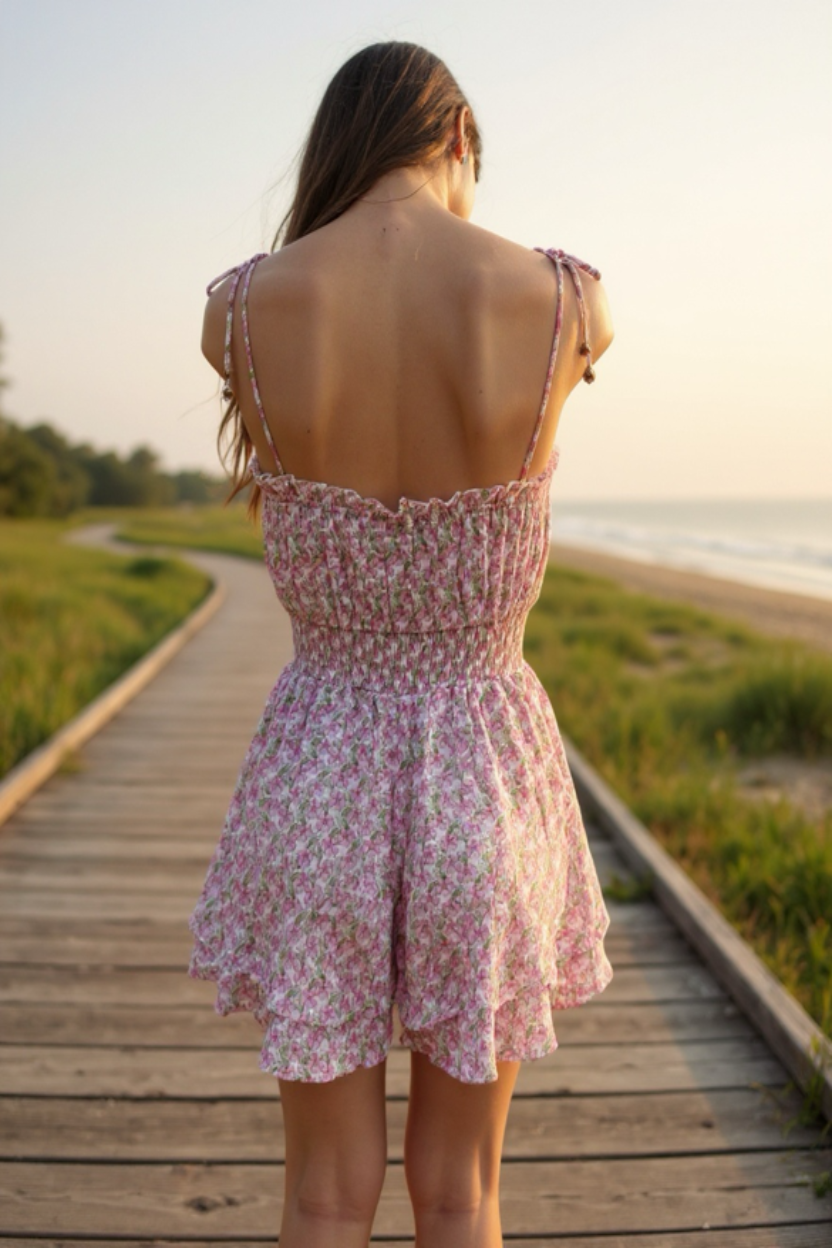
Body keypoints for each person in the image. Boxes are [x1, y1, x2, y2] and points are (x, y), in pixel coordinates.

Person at [188, 39, 615, 1248]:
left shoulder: (244, 307)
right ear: (459, 142)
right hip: (484, 777)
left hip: (316, 768)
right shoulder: (562, 300)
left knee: (323, 1197)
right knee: (460, 1194)